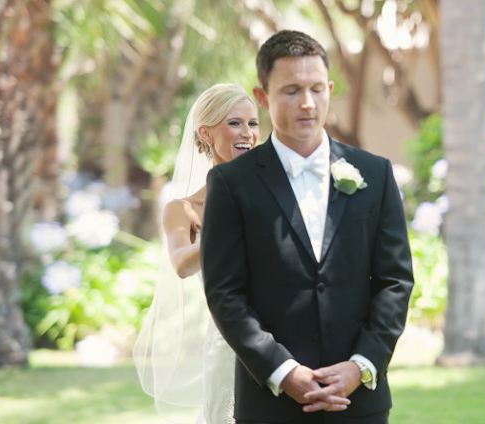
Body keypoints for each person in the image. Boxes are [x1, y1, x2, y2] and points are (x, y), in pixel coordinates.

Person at [200, 30, 414, 424]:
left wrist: (361, 365)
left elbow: (395, 281)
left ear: (329, 89)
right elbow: (224, 292)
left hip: (360, 404)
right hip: (270, 406)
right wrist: (283, 371)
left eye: (316, 89)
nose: (307, 103)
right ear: (262, 96)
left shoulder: (376, 174)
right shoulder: (231, 184)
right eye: (291, 90)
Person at [133, 83, 260, 424]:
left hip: (290, 338)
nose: (247, 133)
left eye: (253, 123)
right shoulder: (184, 209)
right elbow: (181, 264)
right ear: (206, 133)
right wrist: (227, 224)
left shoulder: (274, 196)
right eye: (235, 123)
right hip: (229, 343)